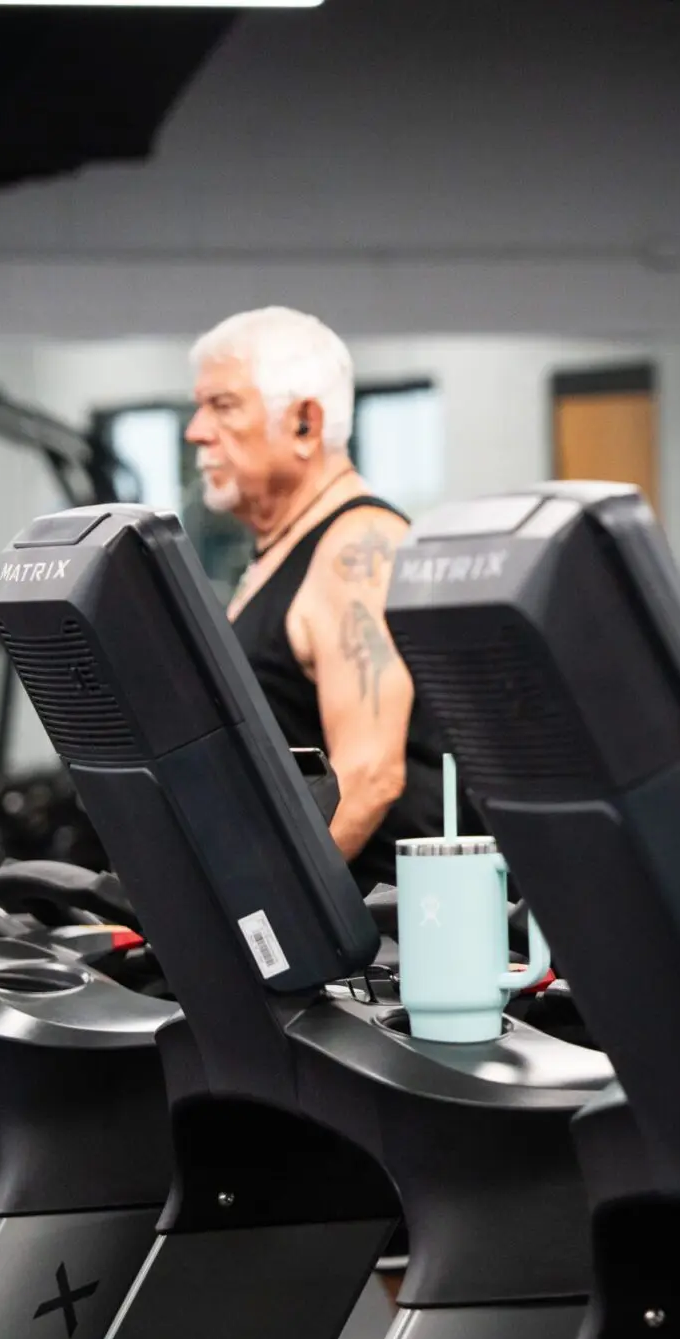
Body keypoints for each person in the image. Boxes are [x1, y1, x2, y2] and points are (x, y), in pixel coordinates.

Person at [187, 306, 460, 898]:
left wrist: (266, 909)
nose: (196, 431)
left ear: (305, 423)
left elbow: (367, 775)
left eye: (223, 406)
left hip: (381, 946)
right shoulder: (282, 553)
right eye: (199, 407)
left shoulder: (357, 549)